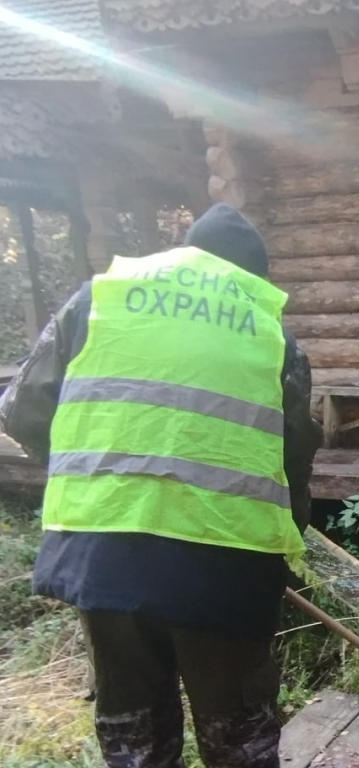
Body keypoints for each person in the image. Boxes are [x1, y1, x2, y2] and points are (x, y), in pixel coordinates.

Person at [0, 203, 323, 768]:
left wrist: (88, 468)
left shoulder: (99, 299)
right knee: (238, 737)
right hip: (225, 561)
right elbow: (293, 455)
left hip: (104, 550)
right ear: (253, 275)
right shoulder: (270, 333)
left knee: (136, 736)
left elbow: (22, 411)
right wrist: (287, 542)